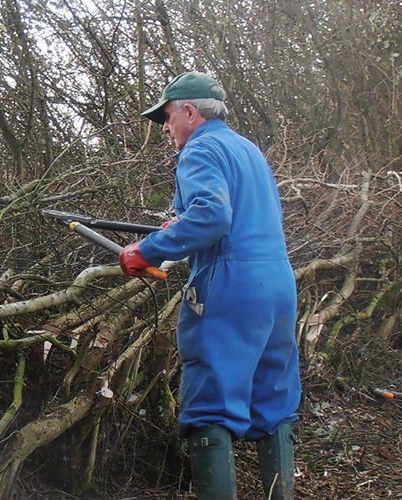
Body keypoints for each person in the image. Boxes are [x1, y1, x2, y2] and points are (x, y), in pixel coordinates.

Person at [120, 72, 301, 499]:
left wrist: (146, 251)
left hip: (232, 283)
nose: (165, 128)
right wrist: (180, 228)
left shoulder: (199, 149)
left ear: (189, 111)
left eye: (166, 117)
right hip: (277, 282)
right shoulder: (247, 149)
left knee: (210, 403)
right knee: (273, 399)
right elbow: (230, 215)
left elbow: (214, 218)